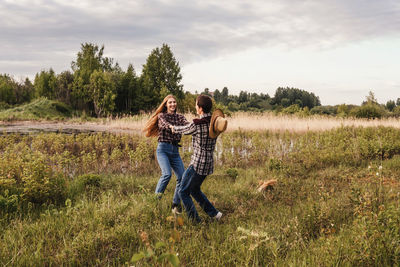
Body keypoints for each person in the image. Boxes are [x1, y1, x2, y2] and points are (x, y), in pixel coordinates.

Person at [170, 94, 227, 223]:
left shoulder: (198, 124)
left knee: (183, 191)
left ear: (200, 108)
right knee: (194, 190)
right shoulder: (214, 124)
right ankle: (215, 214)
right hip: (208, 164)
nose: (195, 107)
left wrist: (173, 128)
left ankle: (195, 221)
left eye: (196, 105)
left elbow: (185, 129)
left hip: (197, 164)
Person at [143, 94, 189, 213]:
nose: (172, 104)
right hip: (163, 150)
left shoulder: (180, 117)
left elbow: (188, 125)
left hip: (175, 152)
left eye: (174, 102)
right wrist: (171, 127)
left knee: (182, 177)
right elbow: (163, 125)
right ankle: (154, 201)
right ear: (166, 105)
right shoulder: (161, 116)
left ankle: (175, 205)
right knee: (167, 174)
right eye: (170, 102)